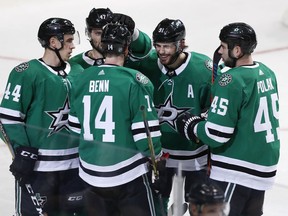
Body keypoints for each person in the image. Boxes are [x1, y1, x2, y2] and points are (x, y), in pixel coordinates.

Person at [176, 22, 280, 216]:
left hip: (237, 169)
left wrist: (191, 126)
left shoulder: (230, 80)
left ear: (237, 50)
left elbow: (216, 134)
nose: (220, 52)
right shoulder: (267, 72)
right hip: (262, 166)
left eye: (224, 47)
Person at [68, 23, 162, 216]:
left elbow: (75, 129)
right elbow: (146, 135)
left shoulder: (81, 79)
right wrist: (157, 161)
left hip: (90, 175)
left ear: (103, 46)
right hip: (129, 175)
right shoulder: (136, 80)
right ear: (127, 49)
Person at [0, 18, 86, 216]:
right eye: (69, 40)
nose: (73, 46)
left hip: (76, 166)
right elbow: (7, 117)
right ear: (54, 42)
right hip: (39, 168)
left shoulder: (79, 72)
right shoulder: (26, 73)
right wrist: (23, 151)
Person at [127, 18, 213, 214]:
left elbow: (213, 113)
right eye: (158, 45)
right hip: (160, 157)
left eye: (166, 46)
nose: (161, 51)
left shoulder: (203, 69)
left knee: (200, 209)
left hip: (195, 157)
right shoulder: (148, 67)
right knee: (159, 209)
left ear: (181, 44)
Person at [69, 7, 152, 68]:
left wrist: (133, 32)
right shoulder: (76, 64)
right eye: (98, 33)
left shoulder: (127, 57)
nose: (104, 38)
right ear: (89, 34)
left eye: (107, 32)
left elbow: (144, 48)